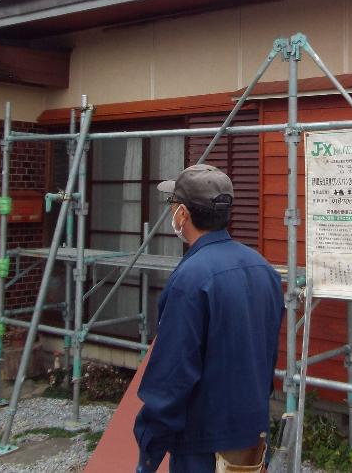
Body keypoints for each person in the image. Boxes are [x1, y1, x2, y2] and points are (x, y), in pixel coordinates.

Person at [134, 164, 284, 473]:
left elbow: (172, 376)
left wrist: (149, 453)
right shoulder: (263, 269)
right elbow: (267, 355)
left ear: (183, 214)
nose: (172, 210)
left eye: (173, 203)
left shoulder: (190, 279)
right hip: (252, 434)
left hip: (202, 442)